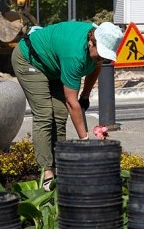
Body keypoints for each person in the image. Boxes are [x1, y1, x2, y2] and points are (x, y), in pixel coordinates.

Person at [11, 21, 124, 190]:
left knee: (60, 114)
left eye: (104, 56)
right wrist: (85, 141)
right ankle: (46, 173)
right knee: (44, 114)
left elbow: (96, 67)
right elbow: (72, 103)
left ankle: (59, 167)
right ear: (91, 42)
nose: (101, 58)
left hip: (54, 64)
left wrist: (85, 95)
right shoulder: (75, 56)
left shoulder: (95, 40)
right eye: (100, 54)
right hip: (30, 59)